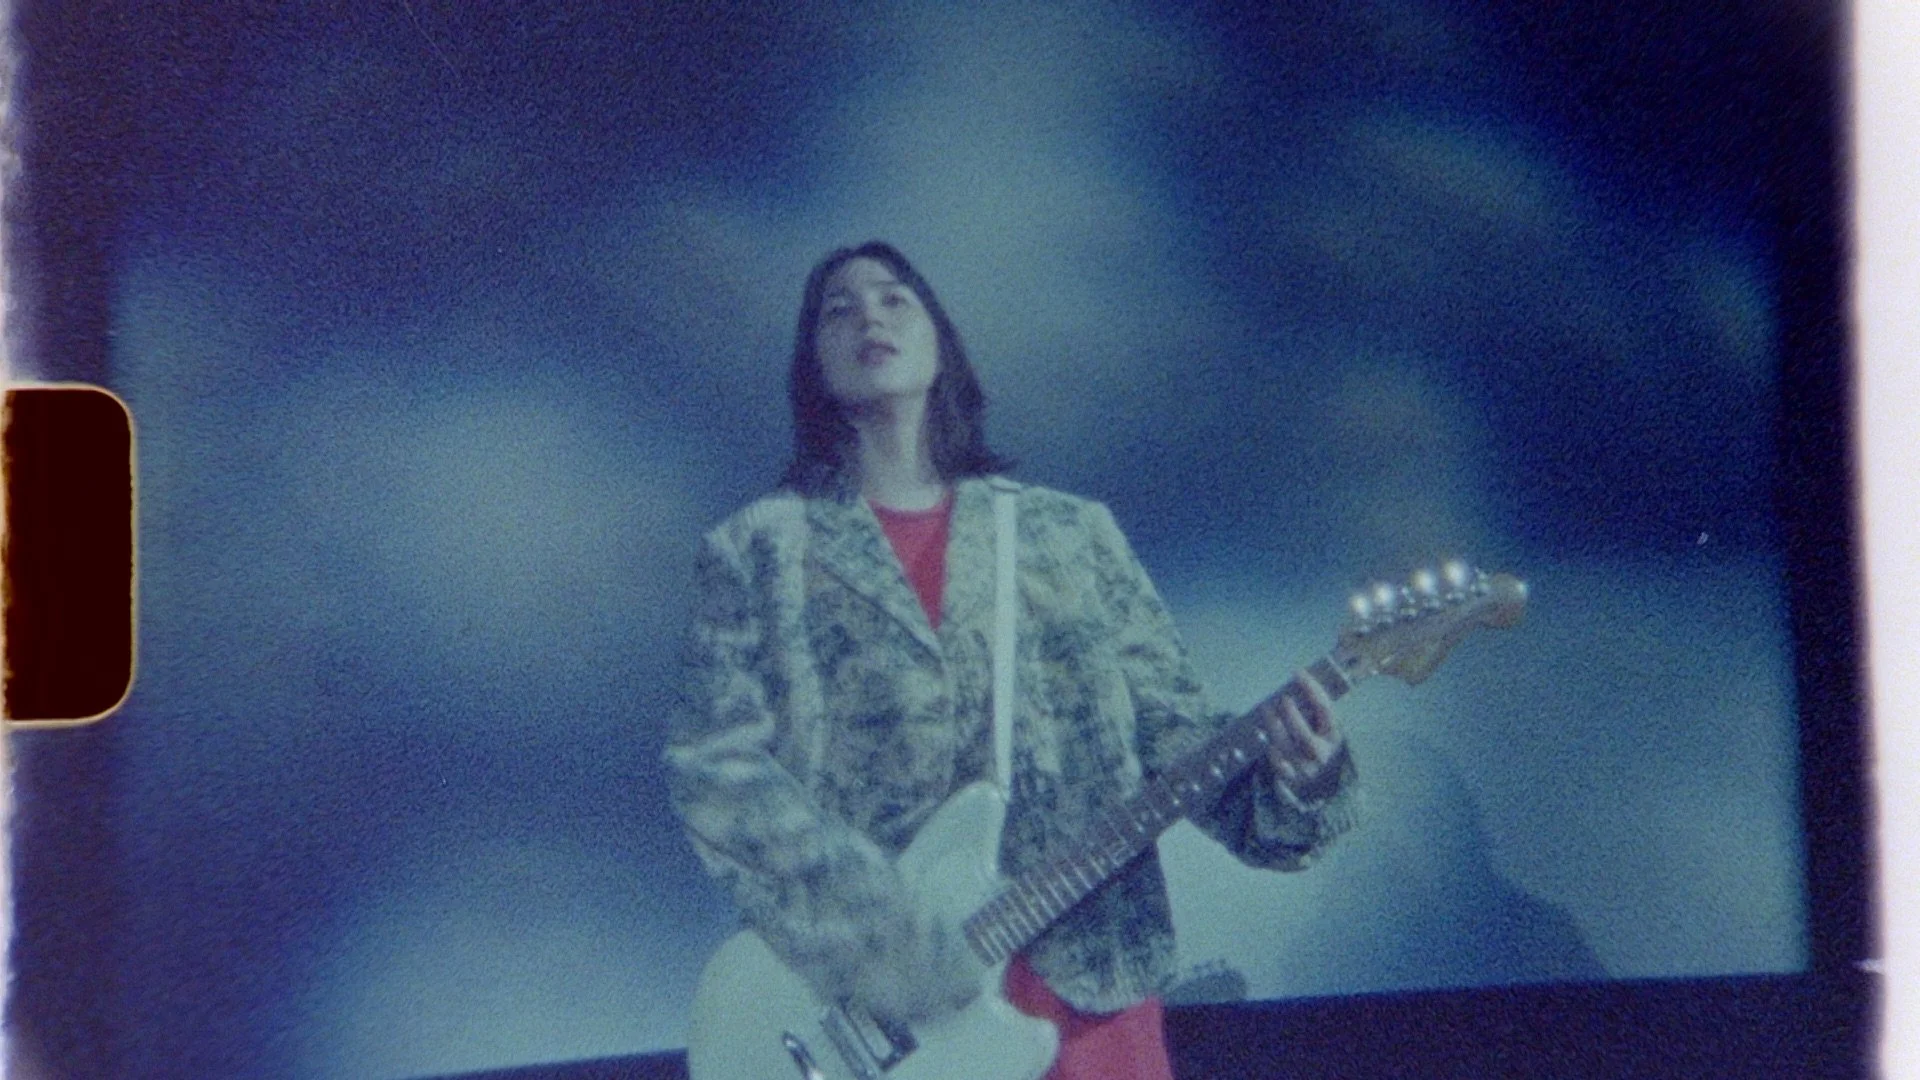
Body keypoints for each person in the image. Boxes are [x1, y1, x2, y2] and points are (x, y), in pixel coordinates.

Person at [667, 241, 1360, 1080]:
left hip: (1092, 1005)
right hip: (880, 1020)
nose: (870, 316)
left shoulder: (1069, 535)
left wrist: (1302, 779)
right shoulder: (756, 550)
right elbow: (716, 773)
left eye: (895, 297)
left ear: (941, 343)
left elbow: (1181, 742)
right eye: (837, 309)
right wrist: (886, 934)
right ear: (812, 363)